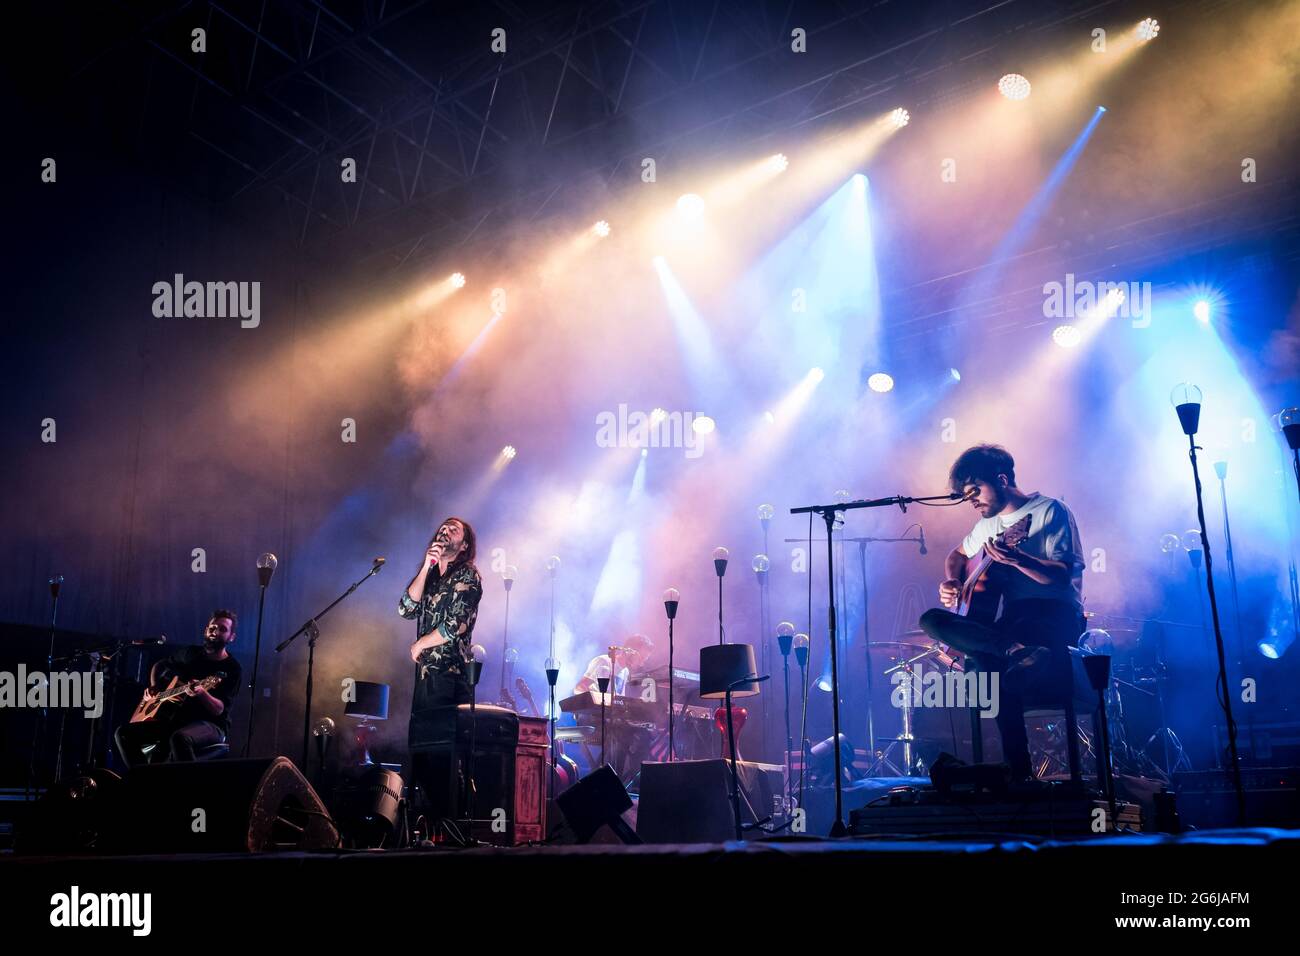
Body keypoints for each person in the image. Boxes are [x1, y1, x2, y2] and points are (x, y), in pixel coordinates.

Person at [918, 444, 1085, 782]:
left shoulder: (1050, 510)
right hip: (1013, 623)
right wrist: (953, 579)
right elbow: (957, 554)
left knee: (982, 662)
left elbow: (1061, 576)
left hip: (1053, 617)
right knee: (931, 620)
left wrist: (1018, 559)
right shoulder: (987, 525)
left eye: (974, 490)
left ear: (1002, 478)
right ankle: (1015, 769)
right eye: (966, 496)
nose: (972, 500)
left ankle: (1014, 770)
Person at [115, 610, 242, 765]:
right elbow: (160, 665)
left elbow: (219, 709)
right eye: (212, 628)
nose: (215, 632)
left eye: (222, 629)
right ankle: (144, 781)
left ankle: (183, 788)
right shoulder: (190, 653)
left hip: (211, 725)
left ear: (231, 637)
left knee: (179, 738)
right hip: (177, 720)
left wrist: (202, 692)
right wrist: (154, 687)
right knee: (123, 733)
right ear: (206, 630)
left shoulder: (232, 668)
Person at [398, 517, 483, 733]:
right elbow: (406, 609)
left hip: (450, 676)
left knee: (441, 751)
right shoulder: (431, 576)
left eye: (453, 530)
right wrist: (427, 566)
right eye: (443, 528)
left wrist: (420, 644)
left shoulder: (468, 575)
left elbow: (455, 625)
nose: (444, 531)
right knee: (422, 748)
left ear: (464, 545)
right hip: (425, 676)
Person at [573, 633, 654, 696]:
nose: (641, 664)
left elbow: (618, 700)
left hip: (608, 715)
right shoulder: (603, 661)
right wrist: (595, 701)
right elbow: (579, 688)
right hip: (591, 716)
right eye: (641, 658)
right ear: (629, 651)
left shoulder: (626, 672)